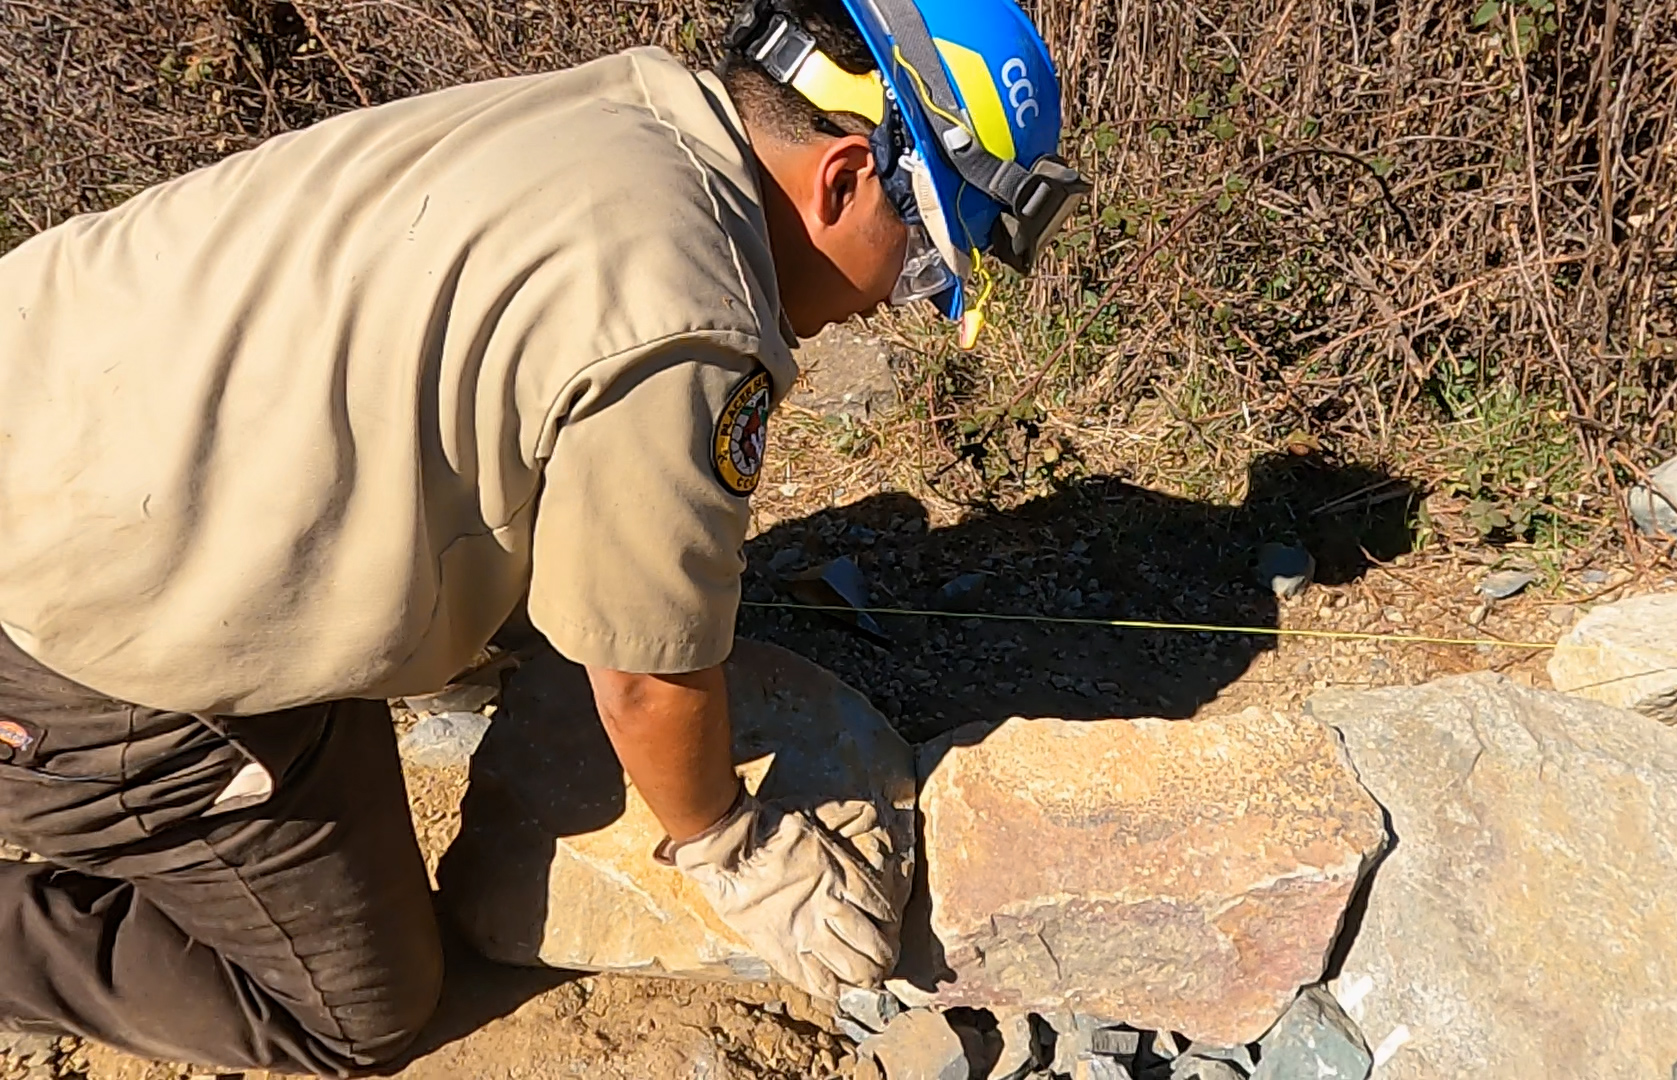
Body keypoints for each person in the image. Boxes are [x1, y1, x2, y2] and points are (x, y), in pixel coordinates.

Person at [0, 0, 1086, 1073]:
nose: (902, 300)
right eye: (927, 260)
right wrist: (728, 846)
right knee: (357, 1007)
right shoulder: (689, 315)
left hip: (60, 389)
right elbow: (647, 682)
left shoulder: (636, 106)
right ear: (847, 177)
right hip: (72, 613)